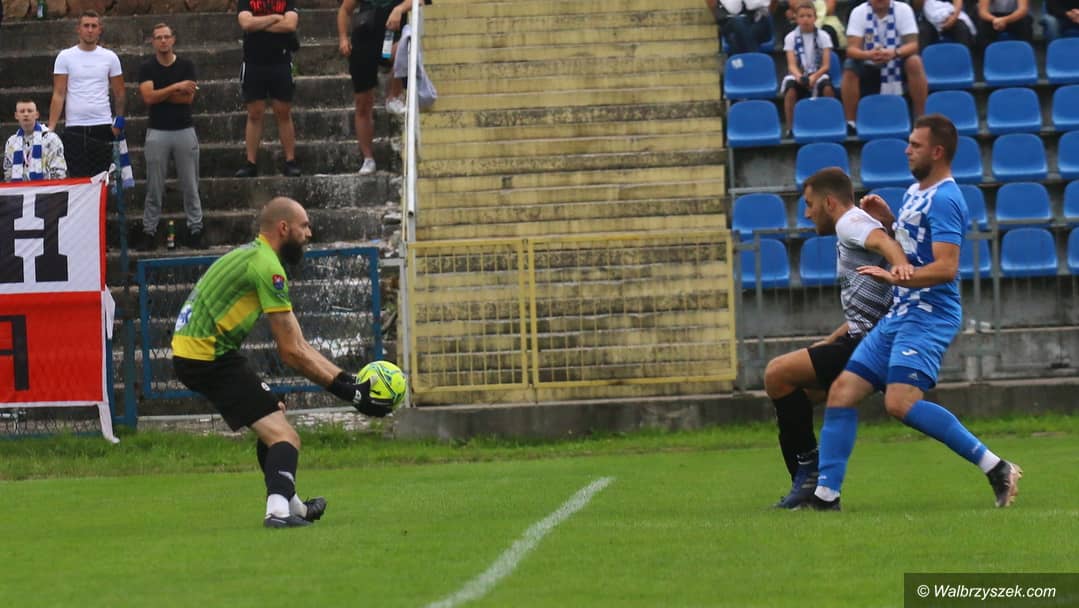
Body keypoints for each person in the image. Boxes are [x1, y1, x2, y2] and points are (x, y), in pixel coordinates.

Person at [791, 115, 1022, 511]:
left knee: (899, 403)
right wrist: (889, 221)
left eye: (915, 145)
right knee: (842, 392)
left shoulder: (947, 199)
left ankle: (996, 467)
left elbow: (946, 267)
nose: (907, 150)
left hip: (930, 314)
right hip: (901, 312)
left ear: (937, 152)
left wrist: (896, 274)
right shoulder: (915, 191)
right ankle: (826, 497)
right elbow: (916, 245)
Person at [171, 197, 393, 528]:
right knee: (285, 438)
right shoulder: (268, 268)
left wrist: (349, 382)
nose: (309, 233)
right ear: (284, 228)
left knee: (274, 414)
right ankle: (277, 512)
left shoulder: (254, 255)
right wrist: (350, 394)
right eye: (304, 226)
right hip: (207, 356)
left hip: (202, 353)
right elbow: (291, 352)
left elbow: (299, 345)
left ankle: (294, 507)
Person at [768, 167, 912, 508]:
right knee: (798, 396)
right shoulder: (854, 224)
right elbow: (864, 309)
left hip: (871, 344)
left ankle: (810, 480)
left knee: (776, 374)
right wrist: (830, 341)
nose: (806, 214)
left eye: (809, 204)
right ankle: (814, 487)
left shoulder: (849, 222)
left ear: (829, 202)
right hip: (866, 337)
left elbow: (884, 243)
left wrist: (901, 268)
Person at [136, 22, 203, 250]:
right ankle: (149, 230)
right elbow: (148, 98)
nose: (163, 41)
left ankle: (196, 229)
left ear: (173, 39)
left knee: (191, 184)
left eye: (166, 37)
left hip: (184, 130)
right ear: (153, 41)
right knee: (154, 186)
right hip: (157, 131)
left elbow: (187, 98)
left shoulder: (187, 66)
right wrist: (175, 87)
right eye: (159, 37)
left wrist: (160, 93)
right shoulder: (147, 68)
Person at [338, 0, 419, 176]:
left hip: (392, 37)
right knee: (363, 103)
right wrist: (343, 37)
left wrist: (399, 9)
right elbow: (344, 10)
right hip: (364, 39)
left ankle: (394, 96)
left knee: (404, 49)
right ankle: (368, 158)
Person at [48, 10, 125, 178]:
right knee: (77, 180)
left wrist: (119, 121)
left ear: (99, 30)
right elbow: (59, 93)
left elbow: (119, 92)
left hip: (102, 125)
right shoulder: (65, 57)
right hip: (74, 126)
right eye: (86, 26)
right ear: (79, 29)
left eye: (94, 26)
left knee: (101, 179)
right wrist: (51, 127)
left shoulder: (110, 57)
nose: (90, 30)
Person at [235, 0, 302, 178]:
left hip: (280, 62)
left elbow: (290, 25)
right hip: (253, 62)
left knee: (283, 112)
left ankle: (290, 161)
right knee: (254, 113)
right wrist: (274, 17)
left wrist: (258, 24)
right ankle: (250, 162)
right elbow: (246, 23)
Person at [841, 0, 928, 134]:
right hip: (869, 64)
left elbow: (913, 45)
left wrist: (895, 53)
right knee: (849, 66)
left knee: (914, 62)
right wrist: (868, 55)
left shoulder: (903, 9)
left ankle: (921, 118)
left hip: (898, 61)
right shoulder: (858, 12)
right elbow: (851, 49)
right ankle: (851, 123)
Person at [780, 0, 836, 139]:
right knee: (790, 89)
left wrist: (814, 77)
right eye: (802, 16)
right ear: (796, 18)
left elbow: (826, 65)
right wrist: (800, 77)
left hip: (818, 73)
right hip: (799, 74)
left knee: (827, 88)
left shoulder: (824, 36)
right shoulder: (790, 37)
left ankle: (831, 123)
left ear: (815, 18)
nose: (805, 19)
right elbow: (791, 65)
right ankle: (790, 128)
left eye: (809, 16)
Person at [4, 99, 68, 182]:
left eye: (30, 111)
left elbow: (59, 171)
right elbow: (8, 172)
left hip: (47, 188)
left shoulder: (51, 139)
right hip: (19, 188)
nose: (26, 114)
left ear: (36, 114)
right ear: (16, 115)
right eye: (22, 111)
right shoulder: (11, 142)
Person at [707, 0, 777, 56]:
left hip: (759, 21)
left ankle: (748, 64)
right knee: (738, 24)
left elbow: (770, 8)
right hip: (733, 21)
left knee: (734, 37)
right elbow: (734, 10)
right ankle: (754, 63)